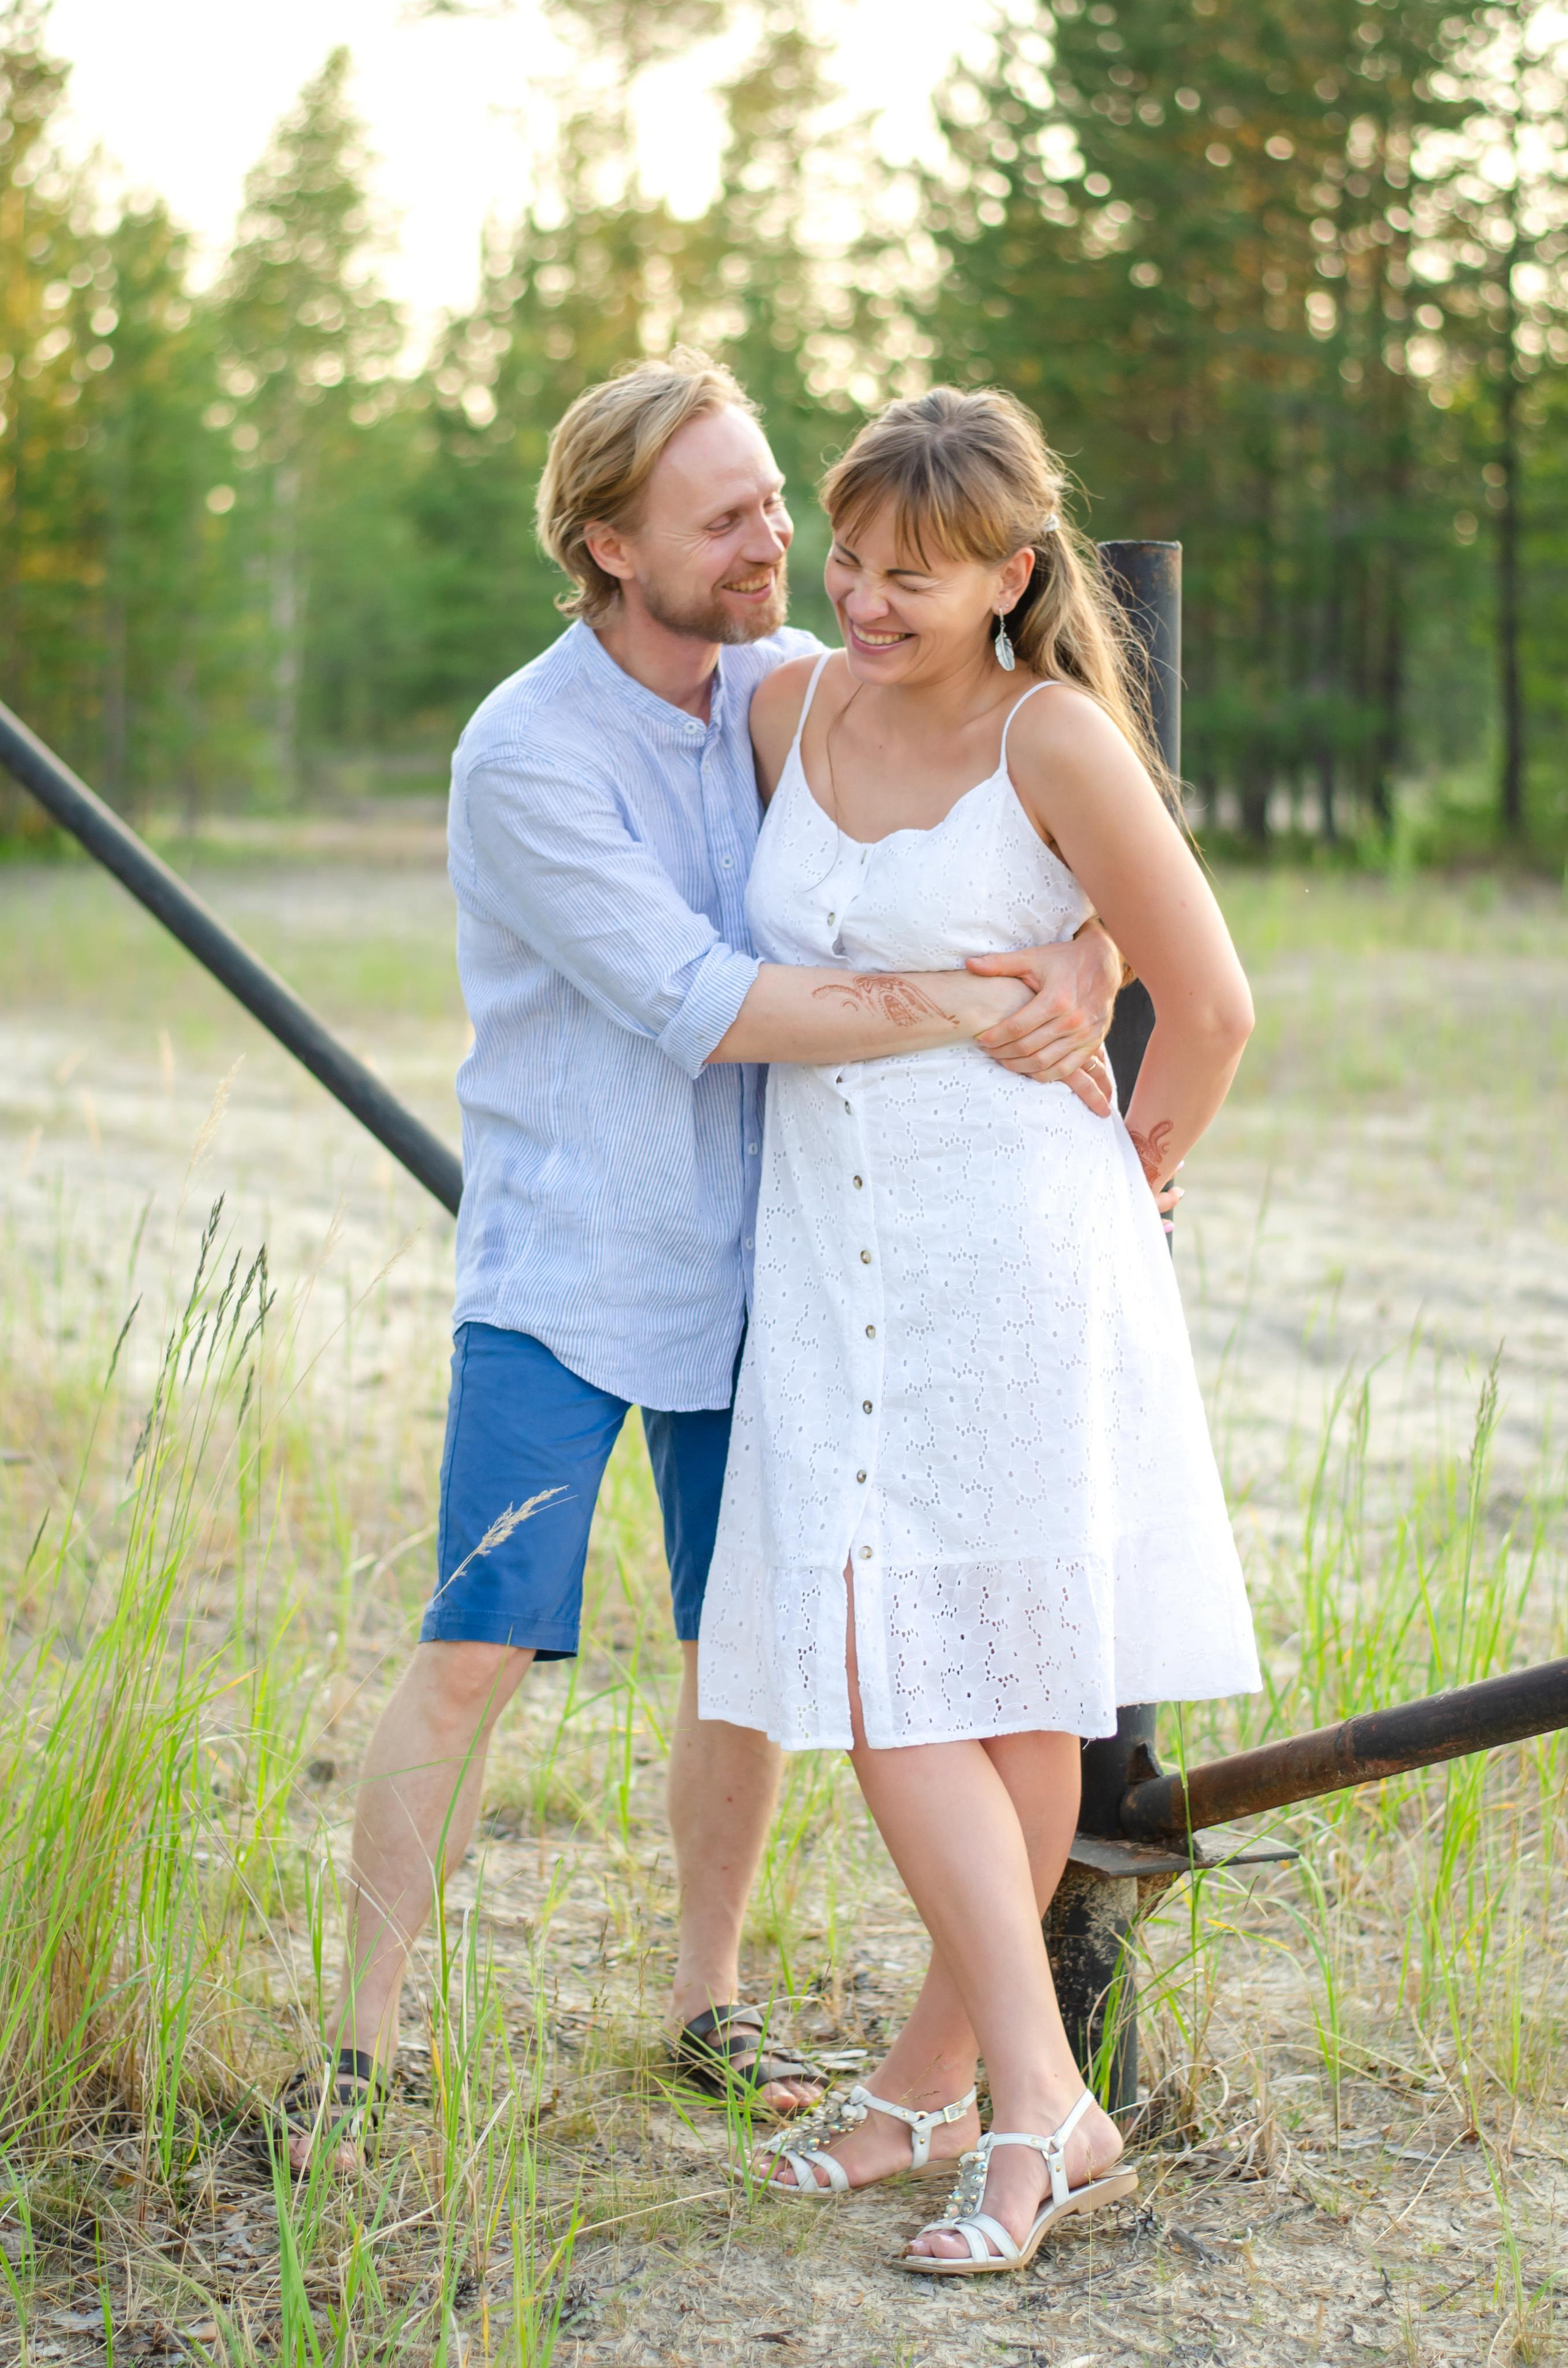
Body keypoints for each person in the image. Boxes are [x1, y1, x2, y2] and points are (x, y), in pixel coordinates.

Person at [277, 354, 1127, 2171]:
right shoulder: (527, 752)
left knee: (731, 1656)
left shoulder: (778, 688)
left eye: (769, 506)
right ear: (607, 547)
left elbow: (1005, 777)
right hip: (572, 1268)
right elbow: (707, 1004)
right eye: (729, 520)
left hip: (780, 1272)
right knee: (478, 1648)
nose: (779, 548)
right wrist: (984, 1002)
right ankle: (355, 2053)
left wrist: (1093, 952)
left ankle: (706, 2001)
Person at [696, 385, 1262, 2274]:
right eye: (848, 559)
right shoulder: (791, 702)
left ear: (1016, 576)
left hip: (1011, 1255)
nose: (861, 599)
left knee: (939, 1679)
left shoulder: (1056, 738)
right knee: (951, 1682)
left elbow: (1214, 1003)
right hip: (833, 1262)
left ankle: (1037, 2103)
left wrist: (1139, 1173)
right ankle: (939, 2087)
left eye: (913, 579)